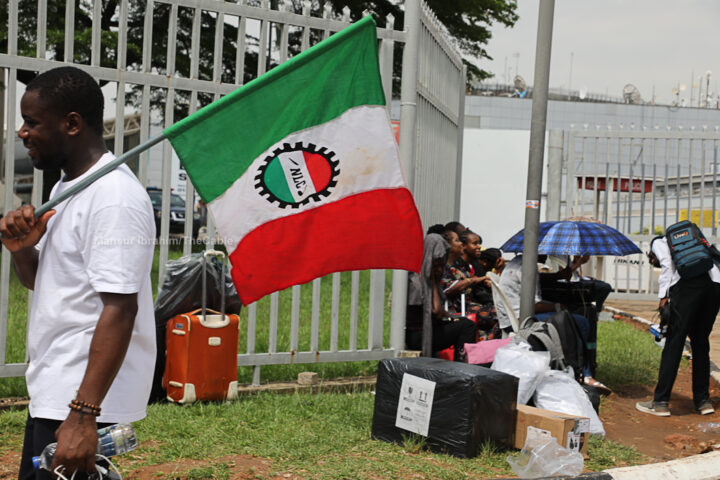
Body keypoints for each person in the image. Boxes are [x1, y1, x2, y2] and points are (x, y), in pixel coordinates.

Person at [2, 66, 156, 479]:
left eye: (32, 122)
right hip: (56, 392)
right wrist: (21, 251)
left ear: (72, 124)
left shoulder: (114, 198)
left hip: (80, 400)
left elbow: (121, 308)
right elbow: (45, 282)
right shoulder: (67, 189)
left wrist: (84, 416)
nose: (22, 132)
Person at [496, 254, 608, 391]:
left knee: (571, 318)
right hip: (522, 319)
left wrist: (573, 266)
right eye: (546, 251)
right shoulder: (526, 268)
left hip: (514, 316)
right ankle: (584, 373)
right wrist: (559, 306)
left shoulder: (520, 262)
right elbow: (534, 306)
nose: (548, 255)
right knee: (580, 322)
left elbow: (544, 280)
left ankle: (574, 366)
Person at [636, 235, 720, 417]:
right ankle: (703, 402)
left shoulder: (658, 243)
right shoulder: (690, 240)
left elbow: (667, 264)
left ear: (651, 254)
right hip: (715, 286)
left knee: (675, 342)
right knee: (700, 342)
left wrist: (663, 299)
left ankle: (660, 402)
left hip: (689, 286)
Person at [405, 234, 476, 361]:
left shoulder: (431, 280)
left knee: (465, 323)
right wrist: (431, 279)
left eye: (441, 265)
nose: (439, 269)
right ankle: (461, 368)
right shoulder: (416, 281)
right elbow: (436, 311)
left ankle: (462, 366)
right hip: (417, 335)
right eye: (436, 265)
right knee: (466, 326)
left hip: (431, 328)